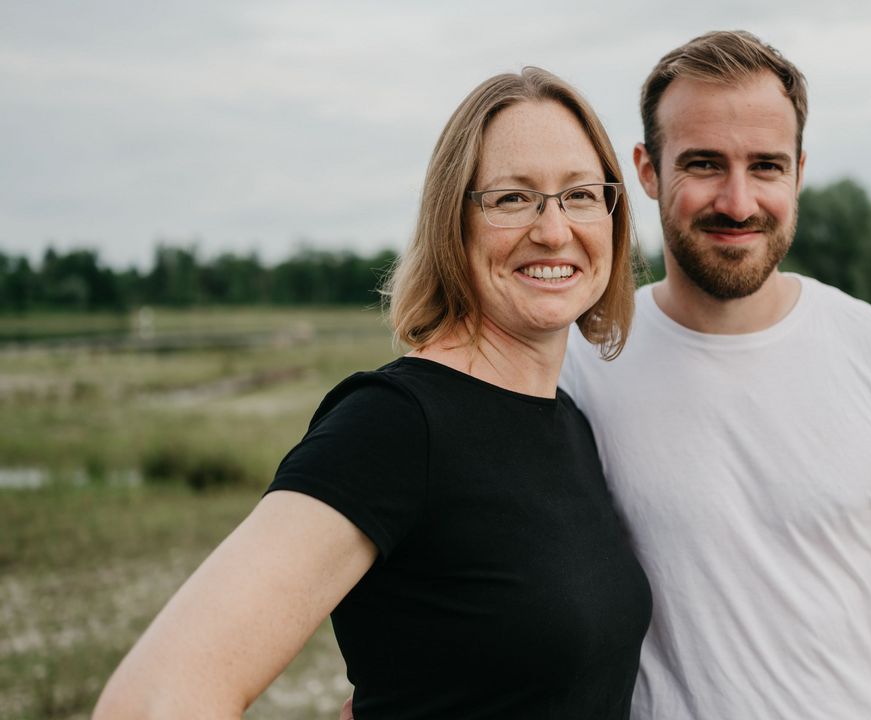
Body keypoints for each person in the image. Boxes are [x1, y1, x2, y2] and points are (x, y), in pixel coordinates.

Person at [92, 67, 652, 720]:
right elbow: (153, 700)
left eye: (581, 195)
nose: (554, 231)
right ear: (454, 222)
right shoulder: (396, 426)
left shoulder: (570, 423)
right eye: (512, 198)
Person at [559, 30, 871, 719]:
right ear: (647, 170)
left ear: (798, 170)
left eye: (765, 166)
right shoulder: (580, 364)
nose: (738, 202)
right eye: (703, 164)